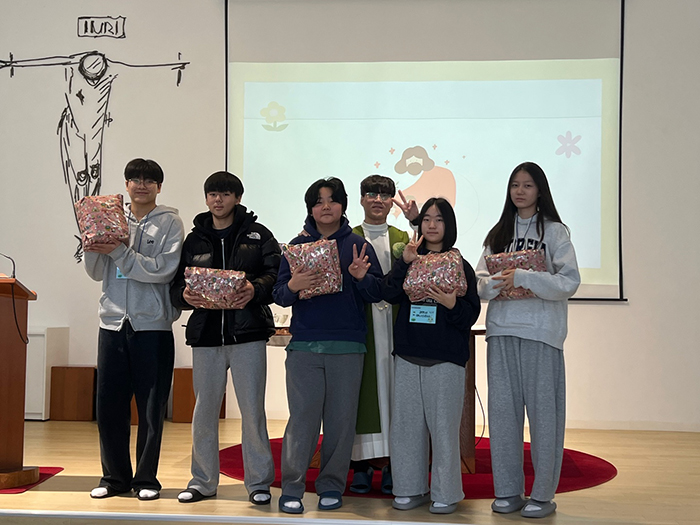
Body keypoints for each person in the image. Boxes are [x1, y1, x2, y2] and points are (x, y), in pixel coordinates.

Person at [475, 161, 580, 519]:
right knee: (503, 417)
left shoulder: (554, 232)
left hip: (541, 333)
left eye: (528, 185)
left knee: (544, 417)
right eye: (515, 185)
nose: (520, 191)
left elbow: (569, 282)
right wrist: (494, 284)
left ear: (540, 190)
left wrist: (523, 277)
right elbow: (479, 281)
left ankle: (543, 494)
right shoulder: (498, 232)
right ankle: (508, 490)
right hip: (502, 330)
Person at [273, 177, 384, 514]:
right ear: (310, 208)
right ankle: (292, 487)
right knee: (301, 421)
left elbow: (378, 293)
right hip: (304, 347)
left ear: (342, 206)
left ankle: (332, 485)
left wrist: (362, 277)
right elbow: (279, 295)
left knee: (341, 423)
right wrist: (294, 285)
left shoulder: (358, 245)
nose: (325, 207)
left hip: (348, 346)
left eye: (332, 200)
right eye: (318, 201)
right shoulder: (296, 246)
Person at [170, 171, 279, 505]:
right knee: (204, 412)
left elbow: (275, 275)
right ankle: (202, 482)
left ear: (238, 198)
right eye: (213, 194)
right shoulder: (194, 240)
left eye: (225, 194)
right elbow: (175, 286)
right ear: (206, 198)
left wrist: (255, 289)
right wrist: (184, 296)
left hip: (248, 335)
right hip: (206, 337)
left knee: (252, 411)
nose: (218, 200)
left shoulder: (258, 235)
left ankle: (258, 483)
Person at [84, 158, 184, 501]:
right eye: (135, 179)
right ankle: (114, 478)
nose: (141, 185)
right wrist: (92, 242)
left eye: (149, 180)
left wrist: (120, 251)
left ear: (159, 187)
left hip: (152, 326)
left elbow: (163, 270)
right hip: (112, 323)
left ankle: (146, 480)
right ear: (126, 185)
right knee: (109, 406)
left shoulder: (170, 222)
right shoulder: (111, 217)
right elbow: (96, 272)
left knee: (151, 408)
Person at [382, 197, 480, 514]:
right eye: (426, 219)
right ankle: (409, 488)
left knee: (444, 430)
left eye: (439, 219)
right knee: (406, 427)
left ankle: (445, 493)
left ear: (449, 225)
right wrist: (404, 263)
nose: (432, 225)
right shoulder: (410, 258)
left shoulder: (460, 264)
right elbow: (389, 293)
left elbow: (470, 314)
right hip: (409, 353)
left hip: (446, 357)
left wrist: (452, 305)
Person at [349, 175, 415, 495]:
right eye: (371, 194)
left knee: (395, 394)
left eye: (384, 195)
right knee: (362, 392)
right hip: (362, 323)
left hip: (396, 323)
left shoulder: (403, 236)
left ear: (392, 202)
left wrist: (415, 220)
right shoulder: (350, 236)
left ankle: (392, 465)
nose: (378, 199)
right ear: (361, 199)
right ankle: (361, 466)